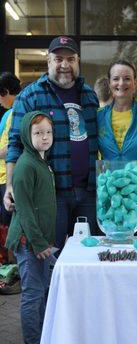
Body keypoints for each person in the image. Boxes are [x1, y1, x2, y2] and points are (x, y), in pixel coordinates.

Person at [4, 36, 99, 250]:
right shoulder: (31, 96)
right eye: (58, 59)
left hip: (88, 194)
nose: (64, 64)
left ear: (78, 61)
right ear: (48, 61)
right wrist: (10, 185)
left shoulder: (89, 95)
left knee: (87, 257)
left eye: (70, 59)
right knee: (49, 257)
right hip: (49, 196)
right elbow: (15, 145)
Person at [5, 111, 56, 344]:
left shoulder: (41, 161)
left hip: (40, 242)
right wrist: (38, 244)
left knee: (42, 290)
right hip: (29, 243)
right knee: (32, 295)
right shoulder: (26, 166)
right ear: (27, 134)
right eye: (38, 133)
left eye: (48, 132)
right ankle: (33, 340)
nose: (44, 137)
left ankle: (45, 336)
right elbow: (25, 211)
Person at [97, 60, 137, 235]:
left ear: (135, 83)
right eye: (116, 79)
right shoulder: (98, 117)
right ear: (109, 83)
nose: (121, 83)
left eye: (127, 78)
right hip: (108, 197)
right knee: (111, 253)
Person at [0, 72, 21, 227]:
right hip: (5, 178)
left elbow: (15, 145)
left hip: (8, 178)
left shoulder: (17, 111)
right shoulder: (11, 112)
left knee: (8, 231)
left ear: (6, 91)